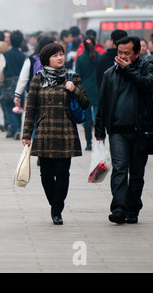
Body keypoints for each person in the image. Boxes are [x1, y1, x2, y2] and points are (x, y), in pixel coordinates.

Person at [22, 43, 90, 225]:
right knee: (45, 175)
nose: (60, 58)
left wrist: (73, 90)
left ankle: (57, 209)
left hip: (65, 131)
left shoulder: (71, 77)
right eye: (55, 55)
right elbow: (31, 109)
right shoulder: (38, 79)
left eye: (61, 54)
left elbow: (85, 102)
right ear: (46, 59)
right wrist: (26, 134)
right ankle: (55, 204)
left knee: (62, 173)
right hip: (44, 131)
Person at [95, 36, 153, 224]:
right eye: (119, 52)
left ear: (137, 53)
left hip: (141, 130)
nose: (121, 56)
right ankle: (119, 209)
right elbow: (103, 102)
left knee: (137, 173)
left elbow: (147, 84)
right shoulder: (109, 74)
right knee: (120, 169)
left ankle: (133, 208)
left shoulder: (148, 68)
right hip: (117, 130)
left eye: (126, 53)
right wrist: (99, 130)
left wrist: (127, 69)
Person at [0, 30, 27, 140]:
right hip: (20, 85)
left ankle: (16, 129)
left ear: (10, 41)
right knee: (19, 106)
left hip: (8, 85)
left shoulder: (5, 55)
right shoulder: (24, 56)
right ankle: (16, 129)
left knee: (9, 108)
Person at [76, 35, 100, 151]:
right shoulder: (100, 57)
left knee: (87, 119)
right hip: (98, 91)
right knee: (98, 118)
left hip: (85, 91)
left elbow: (77, 76)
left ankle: (89, 143)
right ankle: (100, 142)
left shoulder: (80, 59)